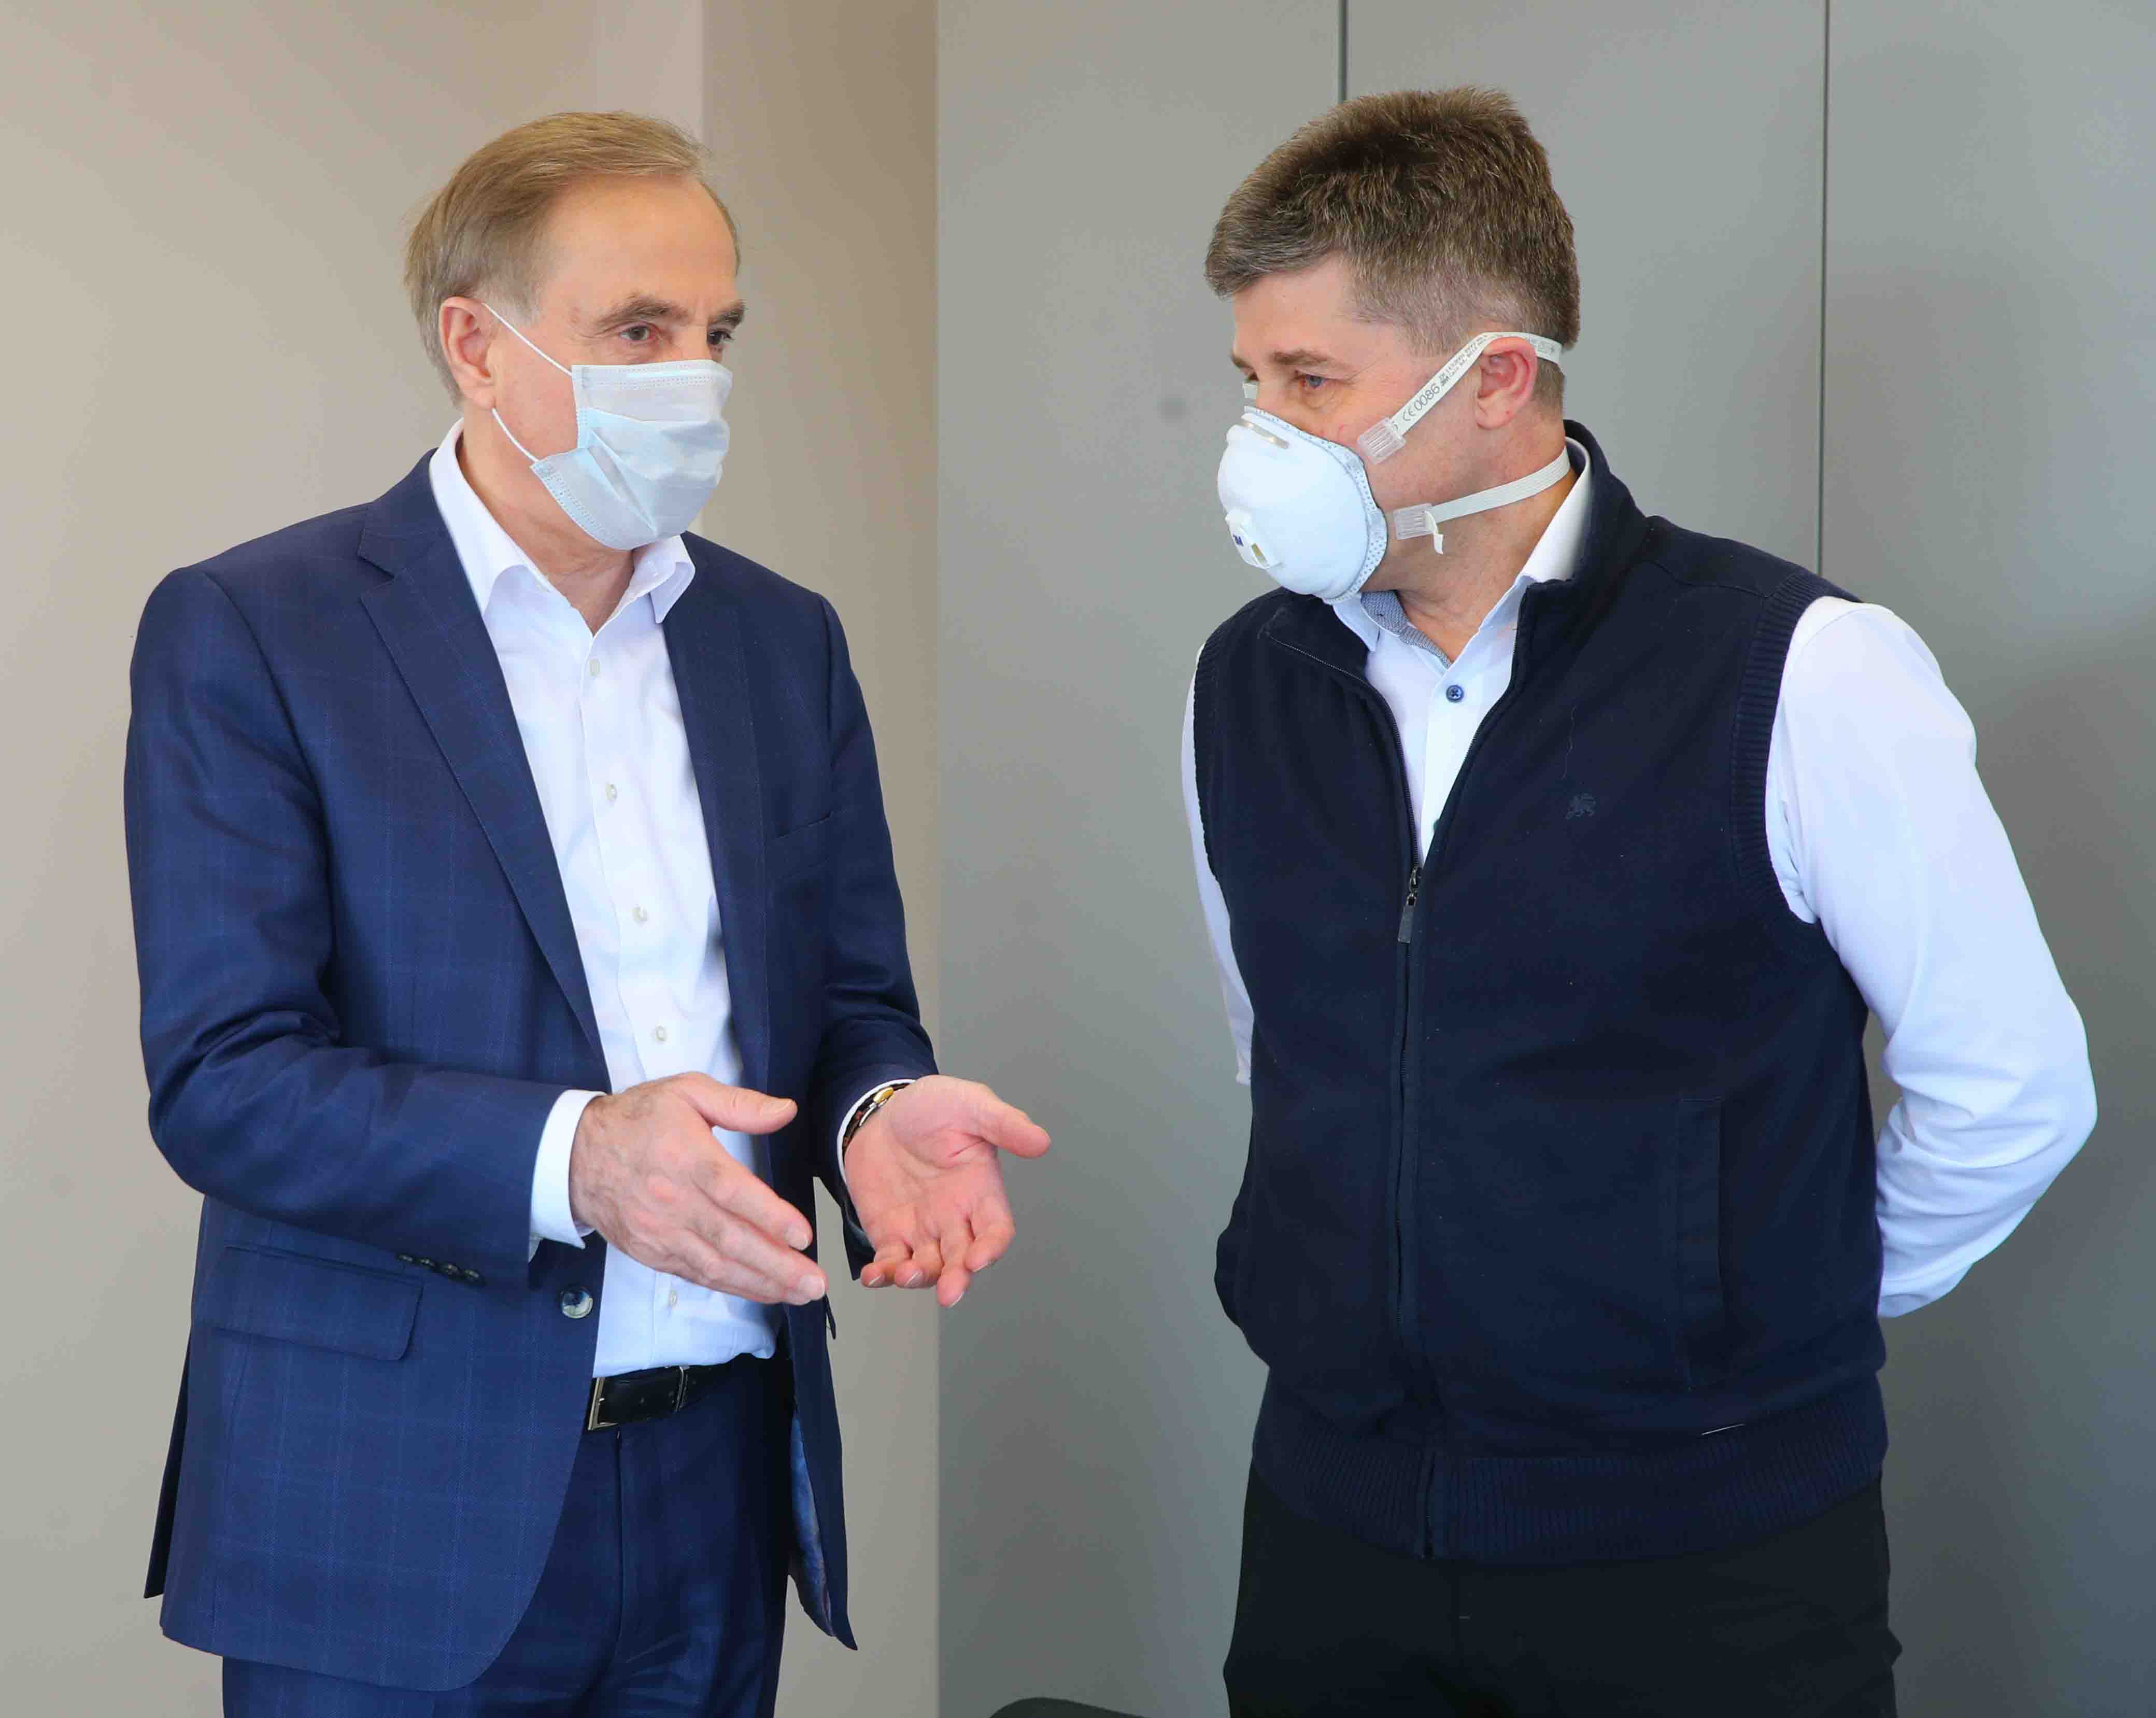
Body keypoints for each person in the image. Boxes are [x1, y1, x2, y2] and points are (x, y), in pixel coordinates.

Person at [1184, 88, 2095, 1717]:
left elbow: (2014, 1087)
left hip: (1707, 1568)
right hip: (1333, 1542)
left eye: (1311, 382)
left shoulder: (1799, 670)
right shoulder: (1245, 684)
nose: (1262, 436)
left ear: (1499, 381)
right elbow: (1286, 1054)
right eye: (1252, 381)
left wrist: (1756, 1308)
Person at [125, 110, 1047, 1717]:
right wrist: (577, 1159)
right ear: (476, 346)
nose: (695, 378)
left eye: (716, 334)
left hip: (714, 1482)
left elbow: (846, 1001)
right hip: (390, 1497)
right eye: (639, 331)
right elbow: (226, 1076)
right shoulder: (257, 629)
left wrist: (874, 1112)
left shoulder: (782, 641)